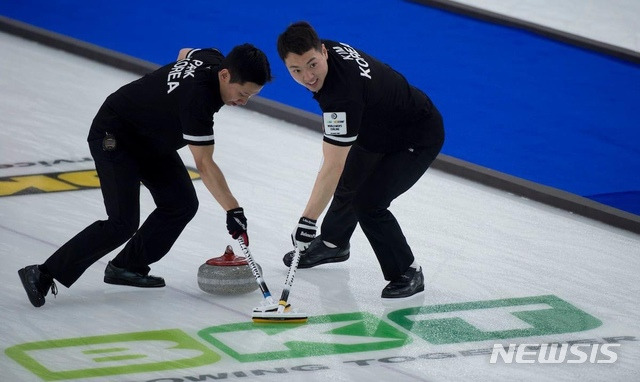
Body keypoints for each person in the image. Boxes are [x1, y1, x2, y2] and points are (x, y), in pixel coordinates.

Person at [18, 44, 272, 307]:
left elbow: (184, 53)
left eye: (250, 97)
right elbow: (205, 164)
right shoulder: (199, 101)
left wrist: (162, 99)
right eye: (242, 94)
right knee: (122, 223)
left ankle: (126, 266)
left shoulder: (212, 58)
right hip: (115, 134)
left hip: (151, 139)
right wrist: (233, 211)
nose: (243, 102)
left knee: (181, 203)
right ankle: (42, 273)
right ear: (225, 75)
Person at [277, 22, 445, 298]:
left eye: (312, 65)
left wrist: (308, 220)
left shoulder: (341, 98)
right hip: (376, 127)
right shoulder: (325, 48)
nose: (307, 76)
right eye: (296, 70)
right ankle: (334, 243)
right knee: (349, 180)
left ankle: (408, 271)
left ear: (323, 52)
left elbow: (331, 164)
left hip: (416, 134)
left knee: (369, 202)